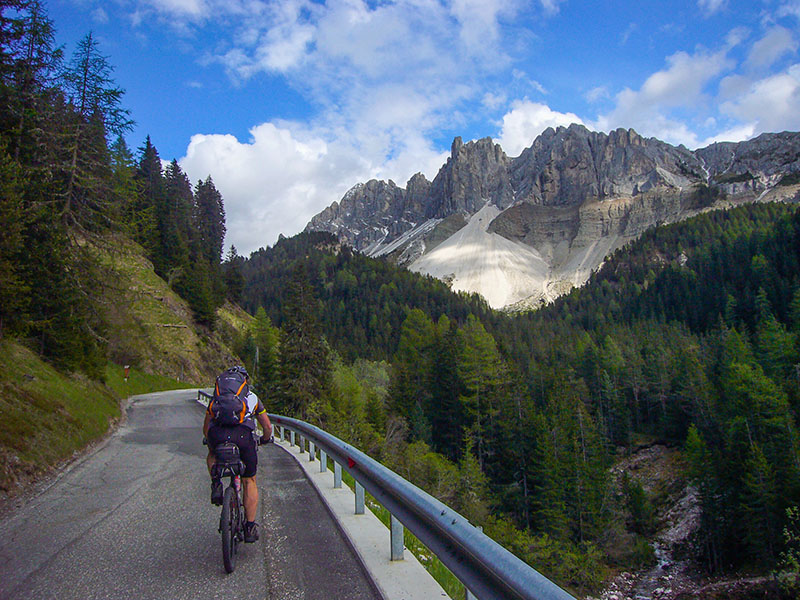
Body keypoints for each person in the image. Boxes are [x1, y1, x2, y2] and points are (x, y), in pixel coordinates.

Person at [203, 366, 273, 543]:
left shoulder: (217, 398)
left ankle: (216, 483)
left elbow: (206, 426)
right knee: (249, 479)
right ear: (245, 381)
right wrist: (265, 439)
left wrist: (209, 440)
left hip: (218, 435)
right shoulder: (252, 398)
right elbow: (267, 427)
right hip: (243, 437)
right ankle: (249, 527)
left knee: (211, 454)